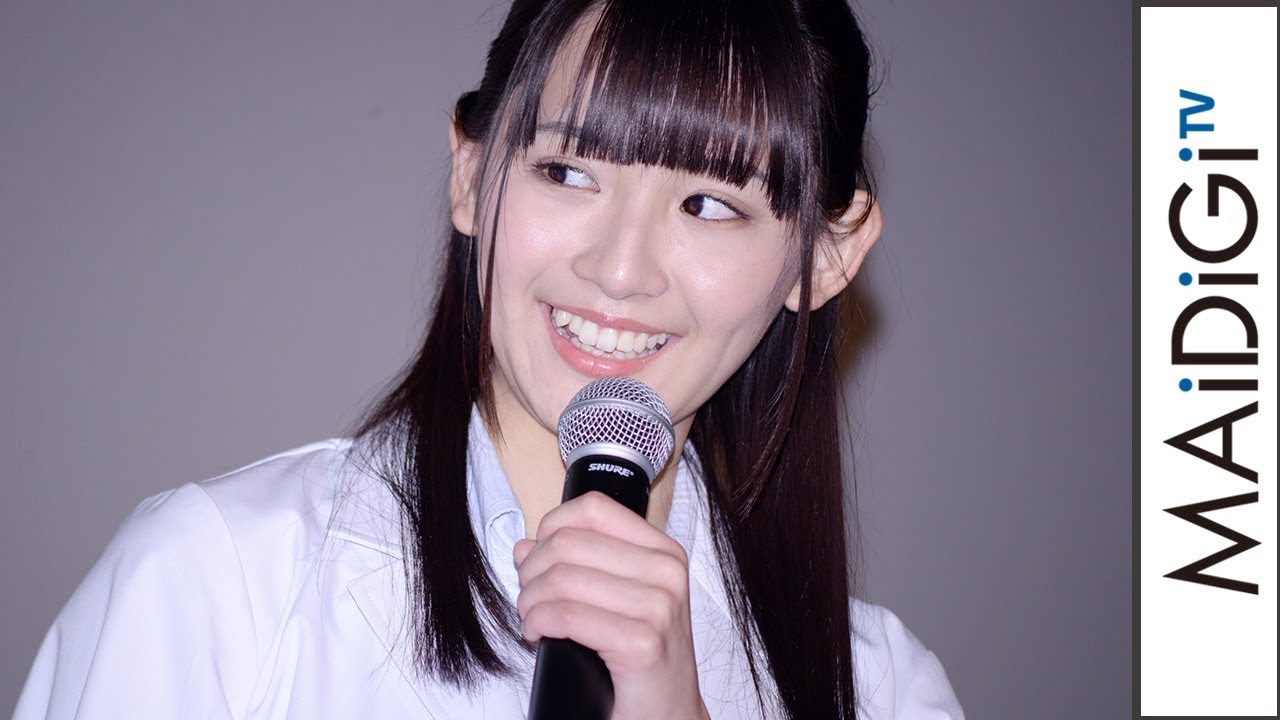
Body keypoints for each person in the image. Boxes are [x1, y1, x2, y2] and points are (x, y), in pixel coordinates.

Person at [14, 0, 965, 718]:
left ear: (829, 254)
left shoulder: (883, 689)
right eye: (567, 172)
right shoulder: (217, 584)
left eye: (711, 204)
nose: (620, 270)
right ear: (472, 173)